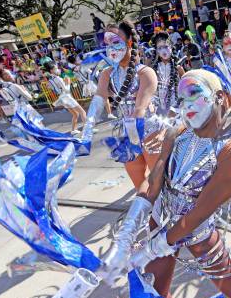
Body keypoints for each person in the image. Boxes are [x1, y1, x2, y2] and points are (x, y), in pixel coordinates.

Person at [100, 69, 231, 298]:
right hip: (161, 222)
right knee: (156, 291)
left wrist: (149, 251)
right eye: (181, 98)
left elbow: (197, 214)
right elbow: (154, 181)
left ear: (219, 96)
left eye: (194, 94)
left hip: (197, 232)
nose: (186, 105)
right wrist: (125, 238)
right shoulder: (176, 133)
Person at [87, 20, 161, 188]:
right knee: (139, 185)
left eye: (115, 42)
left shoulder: (145, 72)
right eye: (107, 43)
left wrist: (135, 130)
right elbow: (98, 100)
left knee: (159, 183)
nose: (111, 48)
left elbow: (140, 109)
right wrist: (87, 129)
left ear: (129, 42)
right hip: (127, 133)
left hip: (149, 132)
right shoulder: (107, 74)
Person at [42, 62, 87, 135]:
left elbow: (53, 88)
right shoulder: (57, 78)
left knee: (75, 114)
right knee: (82, 112)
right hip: (66, 97)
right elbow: (66, 90)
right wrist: (68, 82)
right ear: (51, 70)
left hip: (62, 98)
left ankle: (73, 130)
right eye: (56, 68)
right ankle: (88, 128)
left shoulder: (50, 80)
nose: (58, 70)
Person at [150, 32, 184, 117]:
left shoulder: (178, 68)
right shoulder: (154, 69)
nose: (163, 51)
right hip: (160, 109)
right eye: (160, 48)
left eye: (166, 47)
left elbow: (186, 87)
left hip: (177, 108)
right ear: (157, 51)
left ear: (171, 47)